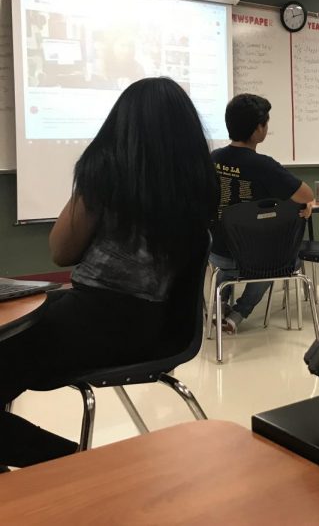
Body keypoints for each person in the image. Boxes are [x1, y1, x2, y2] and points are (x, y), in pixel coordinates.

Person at [0, 77, 218, 467]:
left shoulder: (106, 173)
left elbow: (60, 252)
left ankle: (80, 467)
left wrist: (90, 179)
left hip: (94, 323)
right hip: (159, 329)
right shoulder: (200, 185)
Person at [209, 94, 314, 333]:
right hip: (254, 260)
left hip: (217, 254)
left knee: (229, 265)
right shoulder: (264, 166)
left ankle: (219, 304)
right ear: (259, 129)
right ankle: (238, 314)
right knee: (280, 261)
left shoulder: (212, 158)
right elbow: (306, 195)